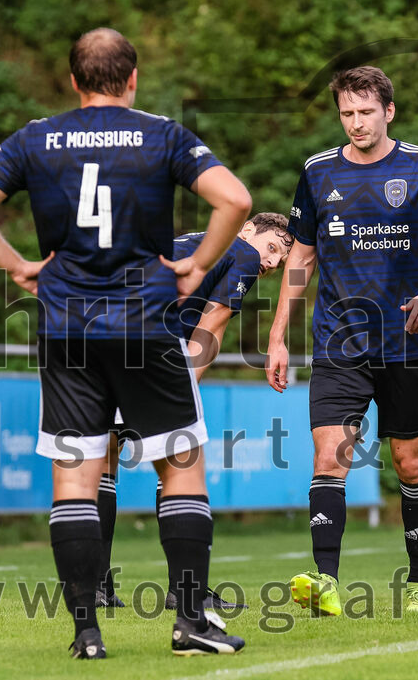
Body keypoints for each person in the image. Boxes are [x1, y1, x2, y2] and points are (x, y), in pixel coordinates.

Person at [0, 28, 252, 657]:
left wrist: (17, 266)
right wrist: (198, 265)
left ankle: (86, 633)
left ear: (73, 81)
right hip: (145, 325)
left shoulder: (37, 137)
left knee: (76, 477)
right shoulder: (162, 134)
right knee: (181, 465)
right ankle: (190, 623)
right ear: (133, 78)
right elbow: (235, 199)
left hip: (67, 330)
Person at [266, 66, 418, 615]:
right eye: (347, 113)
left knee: (411, 464)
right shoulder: (318, 171)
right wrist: (278, 335)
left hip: (408, 340)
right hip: (339, 341)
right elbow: (301, 258)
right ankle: (325, 580)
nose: (356, 122)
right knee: (330, 455)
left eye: (366, 112)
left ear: (389, 112)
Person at [96, 213, 293, 609]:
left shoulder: (199, 240)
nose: (271, 262)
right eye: (271, 248)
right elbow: (213, 322)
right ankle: (185, 589)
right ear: (248, 229)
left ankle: (96, 586)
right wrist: (182, 387)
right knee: (181, 463)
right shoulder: (241, 252)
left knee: (105, 461)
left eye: (279, 261)